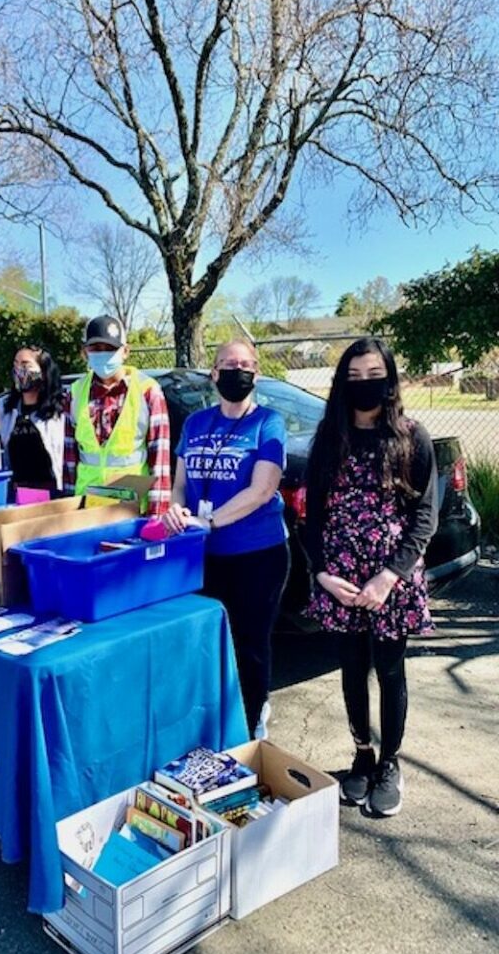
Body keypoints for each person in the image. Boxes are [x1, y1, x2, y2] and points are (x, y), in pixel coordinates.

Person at [303, 337, 438, 817]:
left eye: (374, 375)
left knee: (389, 669)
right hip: (340, 578)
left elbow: (424, 517)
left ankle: (389, 762)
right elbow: (312, 517)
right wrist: (320, 572)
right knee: (351, 668)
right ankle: (361, 754)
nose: (365, 385)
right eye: (354, 377)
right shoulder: (329, 438)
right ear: (342, 383)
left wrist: (389, 577)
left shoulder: (411, 436)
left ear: (390, 379)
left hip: (390, 582)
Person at [162, 338, 290, 739]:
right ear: (213, 373)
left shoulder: (268, 422)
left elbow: (263, 489)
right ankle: (211, 720)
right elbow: (180, 483)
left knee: (250, 643)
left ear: (257, 372)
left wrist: (212, 521)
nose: (237, 370)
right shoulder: (196, 424)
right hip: (202, 555)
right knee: (207, 642)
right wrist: (177, 508)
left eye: (245, 364)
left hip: (257, 553)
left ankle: (253, 721)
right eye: (227, 364)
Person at [64, 314, 171, 516]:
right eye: (96, 349)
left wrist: (156, 516)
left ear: (125, 352)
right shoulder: (75, 393)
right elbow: (69, 459)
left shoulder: (148, 391)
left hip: (131, 508)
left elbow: (160, 461)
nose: (103, 354)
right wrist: (68, 510)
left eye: (110, 348)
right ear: (84, 353)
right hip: (87, 507)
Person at [0, 345, 65, 493]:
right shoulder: (6, 408)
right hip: (17, 491)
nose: (19, 370)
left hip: (51, 491)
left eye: (25, 365)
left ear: (44, 371)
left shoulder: (60, 409)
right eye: (16, 364)